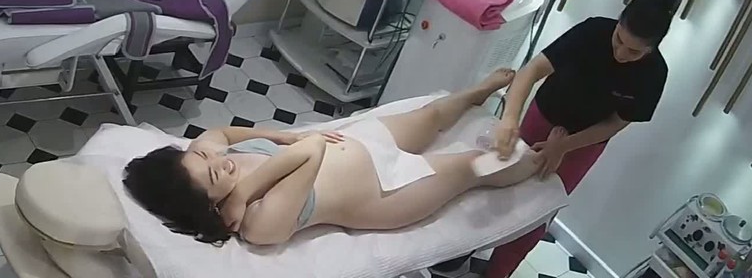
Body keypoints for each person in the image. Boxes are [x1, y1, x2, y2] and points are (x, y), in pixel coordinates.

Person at [124, 69, 538, 245]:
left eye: (200, 155)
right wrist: (245, 191)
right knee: (472, 167)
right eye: (214, 176)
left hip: (362, 143)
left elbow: (221, 134)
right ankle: (539, 161)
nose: (219, 160)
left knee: (429, 117)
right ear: (210, 206)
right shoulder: (258, 223)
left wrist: (275, 135)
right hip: (386, 194)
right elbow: (312, 148)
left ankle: (475, 94)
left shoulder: (208, 157)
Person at [486, 0, 677, 278]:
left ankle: (497, 273)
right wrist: (510, 118)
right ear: (618, 22)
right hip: (542, 116)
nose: (620, 53)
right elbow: (533, 70)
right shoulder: (592, 32)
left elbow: (617, 122)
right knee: (497, 185)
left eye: (634, 51)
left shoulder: (654, 74)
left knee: (533, 215)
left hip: (583, 145)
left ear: (652, 48)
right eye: (618, 39)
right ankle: (456, 258)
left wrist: (564, 146)